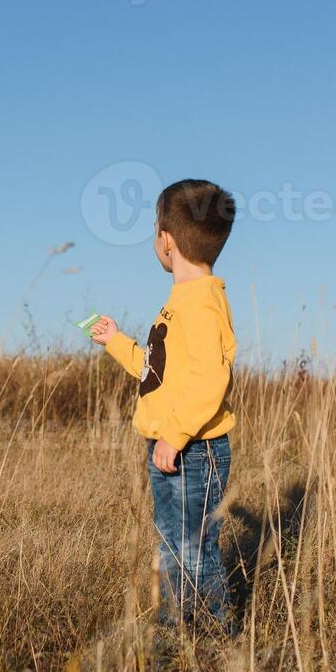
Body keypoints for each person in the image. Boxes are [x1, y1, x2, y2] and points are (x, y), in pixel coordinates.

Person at [90, 179, 237, 628]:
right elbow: (157, 371)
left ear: (166, 241)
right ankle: (179, 626)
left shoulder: (202, 305)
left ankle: (217, 631)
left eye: (155, 228)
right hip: (170, 446)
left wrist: (174, 437)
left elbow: (211, 380)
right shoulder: (181, 301)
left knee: (194, 545)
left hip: (193, 449)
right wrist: (115, 341)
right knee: (172, 542)